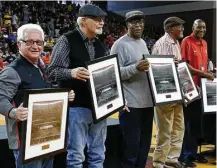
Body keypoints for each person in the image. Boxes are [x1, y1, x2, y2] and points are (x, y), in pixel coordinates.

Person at [0, 23, 75, 168]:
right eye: (30, 42)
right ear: (19, 44)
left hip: (47, 136)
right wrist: (13, 112)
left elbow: (46, 94)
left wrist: (65, 96)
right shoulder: (12, 71)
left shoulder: (42, 68)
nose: (35, 46)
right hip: (26, 142)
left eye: (39, 42)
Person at [47, 4, 108, 168]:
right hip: (76, 107)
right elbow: (51, 71)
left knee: (98, 155)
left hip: (100, 108)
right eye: (96, 19)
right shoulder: (66, 40)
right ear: (83, 21)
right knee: (76, 157)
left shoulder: (99, 44)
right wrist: (71, 73)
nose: (102, 22)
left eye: (102, 19)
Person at [110, 11, 154, 168]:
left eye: (140, 22)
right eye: (133, 22)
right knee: (131, 148)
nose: (138, 25)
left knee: (144, 146)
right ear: (126, 24)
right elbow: (114, 74)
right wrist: (135, 67)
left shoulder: (143, 43)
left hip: (148, 102)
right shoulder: (119, 45)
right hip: (131, 105)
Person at [179, 19, 215, 167]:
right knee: (187, 124)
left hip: (202, 89)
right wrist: (204, 74)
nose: (202, 29)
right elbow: (184, 65)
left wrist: (209, 72)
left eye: (204, 27)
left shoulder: (205, 43)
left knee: (197, 123)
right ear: (193, 27)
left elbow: (204, 65)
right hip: (189, 89)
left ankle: (194, 153)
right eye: (198, 27)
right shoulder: (186, 42)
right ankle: (186, 156)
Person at [152, 17, 186, 168]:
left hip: (177, 91)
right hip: (165, 92)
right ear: (171, 29)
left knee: (178, 126)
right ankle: (159, 161)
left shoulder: (175, 42)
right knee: (165, 129)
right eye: (180, 27)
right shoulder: (163, 43)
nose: (183, 30)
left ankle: (172, 158)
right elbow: (159, 70)